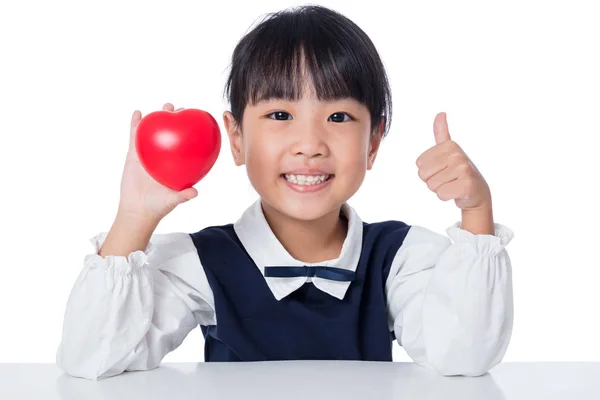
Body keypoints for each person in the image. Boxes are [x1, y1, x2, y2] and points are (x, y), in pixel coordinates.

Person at [56, 4, 514, 381]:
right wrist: (134, 218)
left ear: (373, 143)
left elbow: (466, 357)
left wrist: (476, 210)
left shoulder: (397, 259)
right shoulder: (204, 262)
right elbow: (92, 360)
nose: (310, 145)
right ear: (236, 138)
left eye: (338, 117)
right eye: (279, 115)